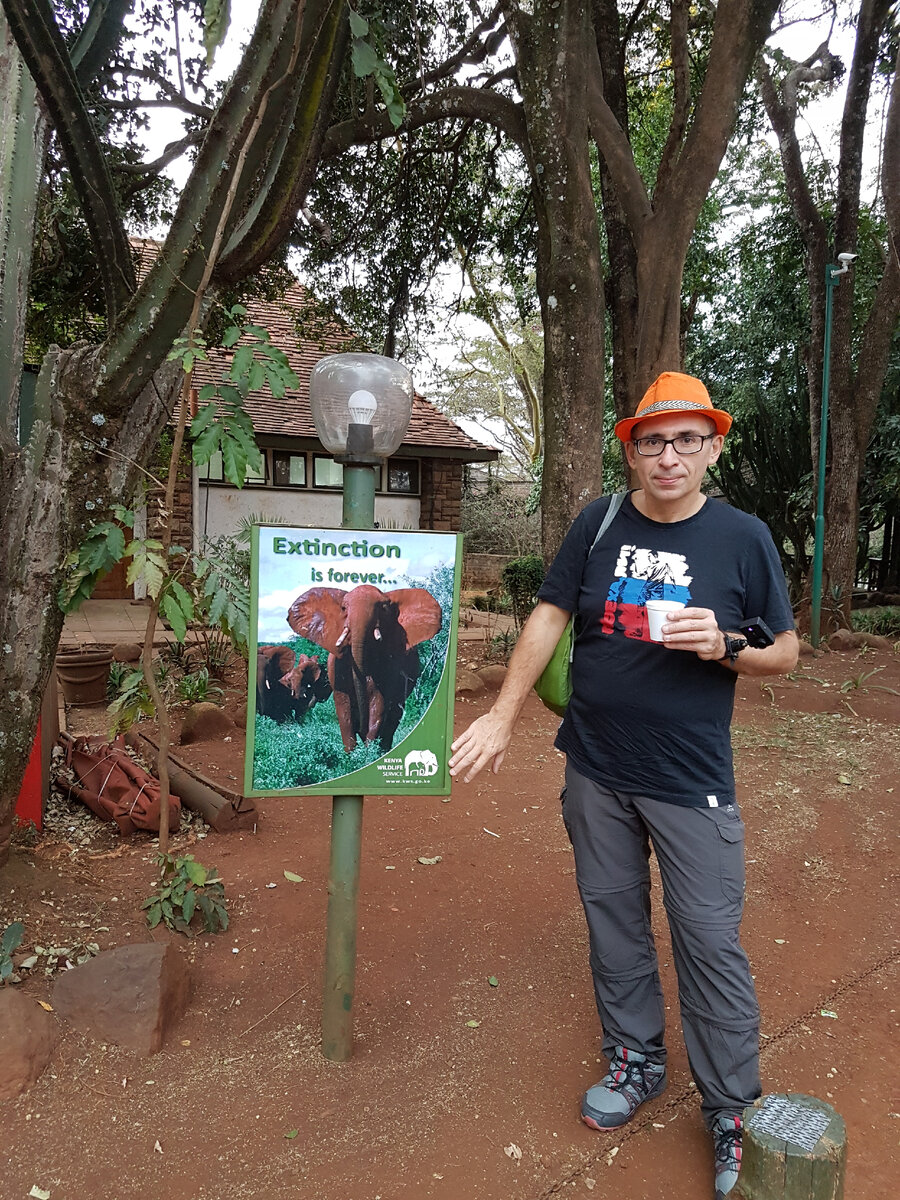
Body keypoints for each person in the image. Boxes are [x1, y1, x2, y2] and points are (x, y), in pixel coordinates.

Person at [449, 371, 798, 1200]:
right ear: (632, 450)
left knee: (708, 940)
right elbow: (547, 616)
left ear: (712, 447)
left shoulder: (743, 538)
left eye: (686, 439)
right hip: (596, 767)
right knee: (613, 919)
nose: (668, 455)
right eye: (652, 441)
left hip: (691, 780)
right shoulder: (597, 522)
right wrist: (503, 716)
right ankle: (637, 1058)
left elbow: (785, 650)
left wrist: (726, 647)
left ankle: (730, 1107)